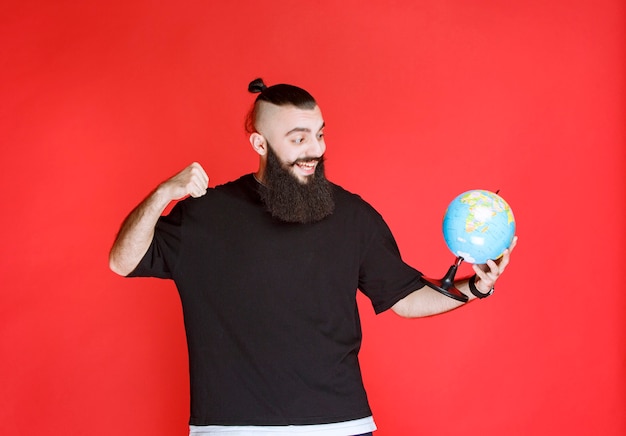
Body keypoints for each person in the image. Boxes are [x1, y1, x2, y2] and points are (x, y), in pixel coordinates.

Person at [109, 78, 517, 436]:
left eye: (320, 134)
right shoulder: (206, 213)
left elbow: (407, 301)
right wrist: (162, 194)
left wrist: (477, 287)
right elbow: (122, 261)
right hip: (229, 428)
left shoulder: (354, 215)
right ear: (259, 143)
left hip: (339, 427)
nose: (315, 149)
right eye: (298, 138)